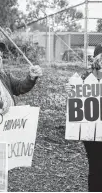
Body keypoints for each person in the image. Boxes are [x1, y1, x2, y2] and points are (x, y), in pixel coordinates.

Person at [65, 43, 102, 192]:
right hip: (91, 131)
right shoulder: (85, 78)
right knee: (96, 167)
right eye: (100, 59)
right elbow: (77, 100)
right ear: (95, 60)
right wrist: (70, 90)